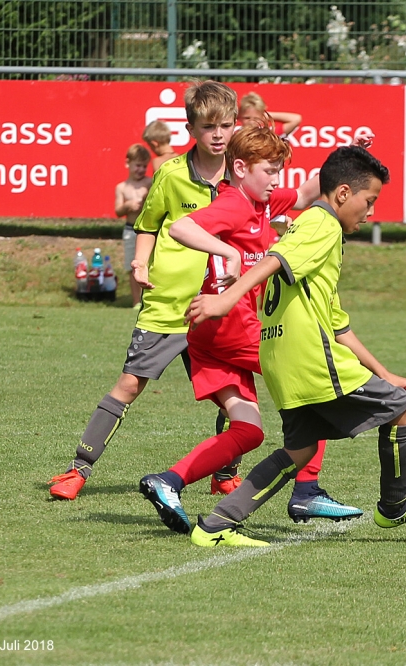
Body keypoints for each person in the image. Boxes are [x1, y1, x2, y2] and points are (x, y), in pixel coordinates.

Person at [183, 146, 406, 547]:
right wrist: (225, 300)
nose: (370, 212)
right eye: (369, 201)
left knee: (300, 450)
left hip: (280, 359)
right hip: (310, 359)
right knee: (401, 407)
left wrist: (384, 372)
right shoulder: (321, 224)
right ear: (343, 194)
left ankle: (215, 526)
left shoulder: (309, 226)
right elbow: (274, 259)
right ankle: (394, 506)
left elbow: (336, 322)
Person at [138, 125, 361, 534]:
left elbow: (310, 191)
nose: (277, 180)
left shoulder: (260, 200)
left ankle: (167, 482)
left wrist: (349, 156)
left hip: (209, 335)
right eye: (270, 171)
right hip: (231, 326)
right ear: (240, 168)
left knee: (249, 431)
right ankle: (307, 490)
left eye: (279, 171)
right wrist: (227, 251)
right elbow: (180, 228)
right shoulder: (235, 204)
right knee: (311, 378)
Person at [48, 81, 238, 501]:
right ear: (191, 128)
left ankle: (225, 473)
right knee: (130, 385)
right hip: (169, 304)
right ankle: (77, 469)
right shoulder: (171, 175)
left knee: (232, 396)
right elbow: (147, 224)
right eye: (210, 127)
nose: (219, 134)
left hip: (221, 306)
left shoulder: (240, 172)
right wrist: (139, 261)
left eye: (226, 125)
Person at [115, 144, 152, 308]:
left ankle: (149, 298)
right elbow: (117, 211)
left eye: (144, 166)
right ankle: (136, 300)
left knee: (149, 264)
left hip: (148, 230)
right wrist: (127, 205)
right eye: (138, 165)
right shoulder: (122, 187)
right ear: (127, 163)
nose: (141, 169)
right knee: (133, 266)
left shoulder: (149, 183)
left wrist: (145, 200)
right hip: (130, 229)